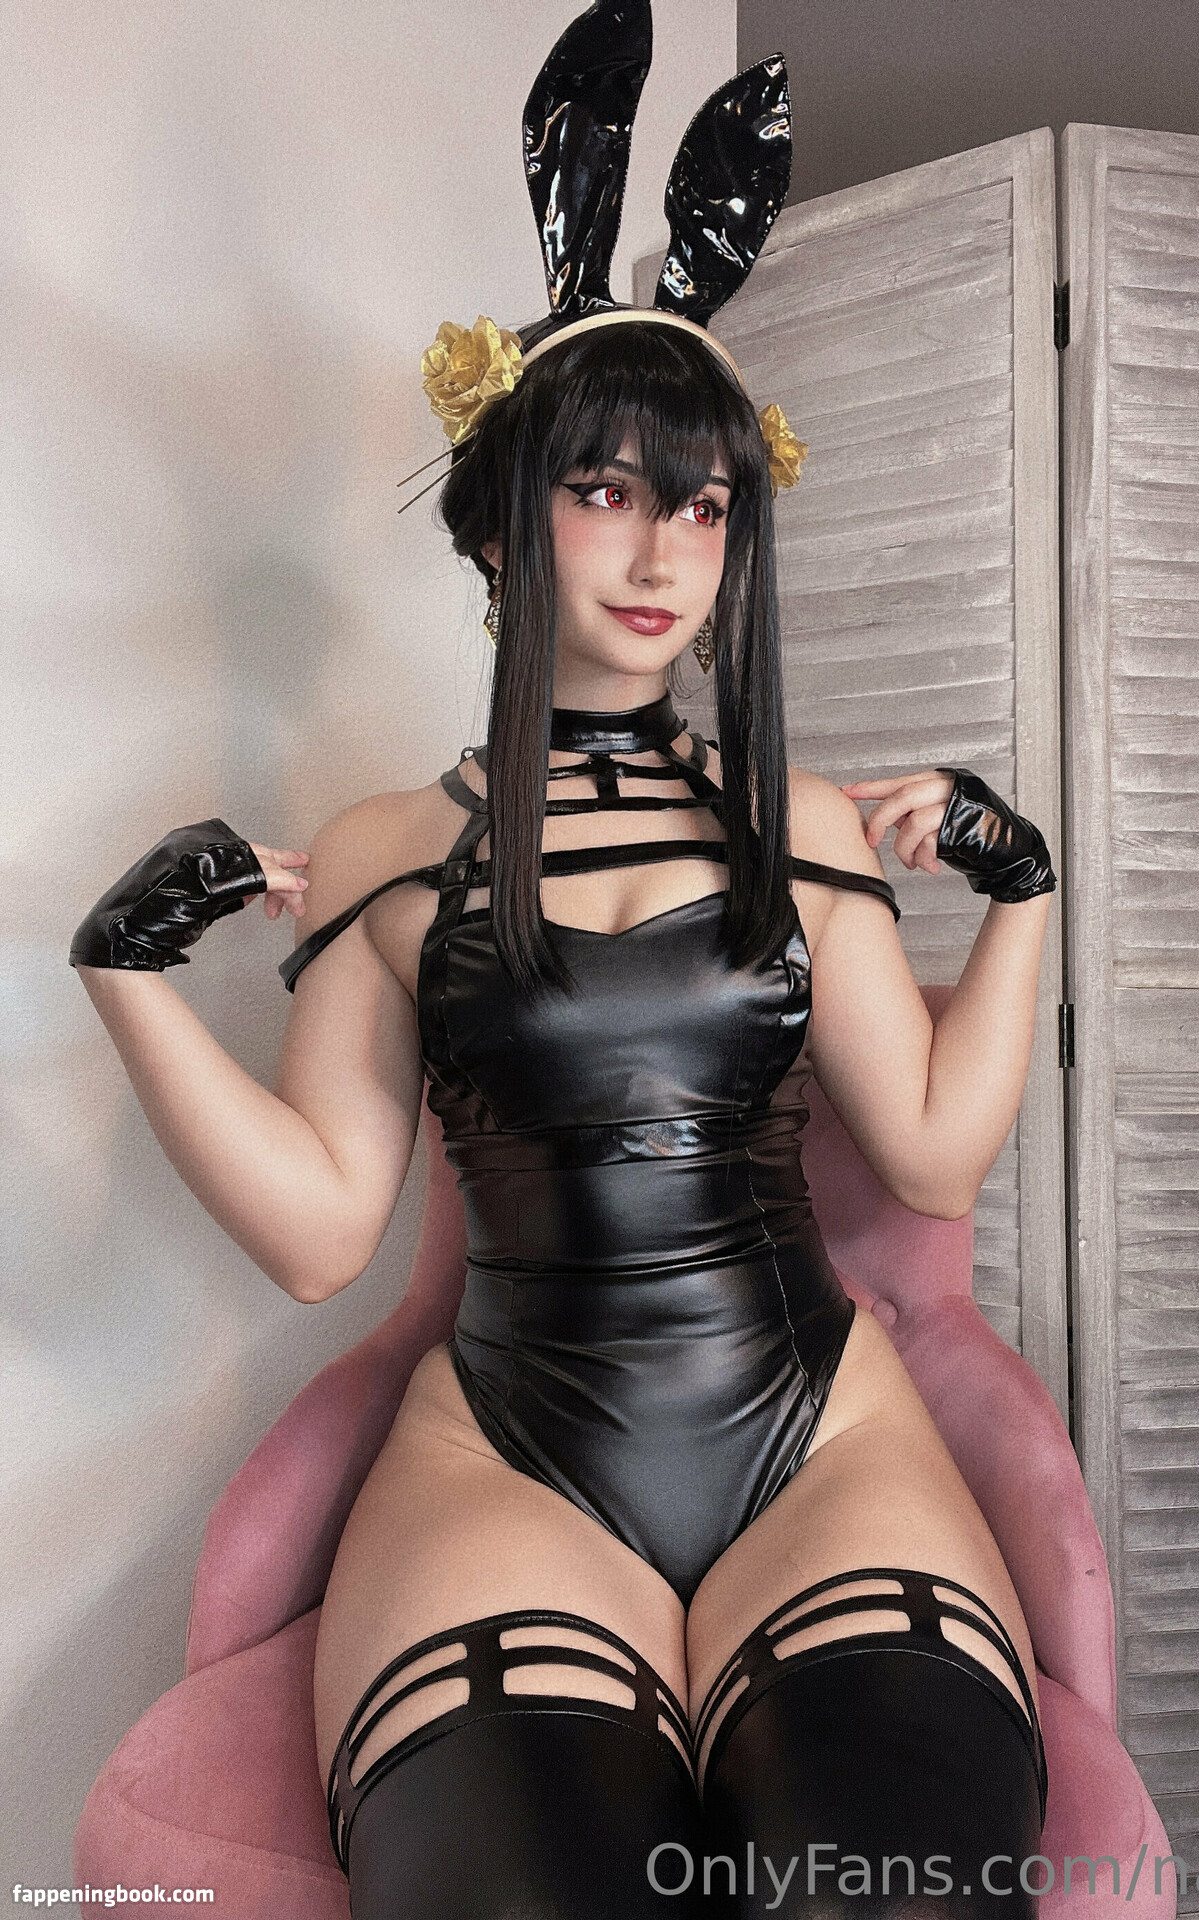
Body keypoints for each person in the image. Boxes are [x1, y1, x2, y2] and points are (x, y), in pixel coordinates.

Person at [69, 6, 1058, 1915]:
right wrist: (127, 980)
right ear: (501, 520)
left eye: (700, 503)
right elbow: (321, 1234)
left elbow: (935, 1157)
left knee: (902, 1889)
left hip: (820, 1440)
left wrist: (1019, 903)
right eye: (604, 489)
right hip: (505, 1466)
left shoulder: (799, 826)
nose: (661, 550)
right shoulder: (391, 847)